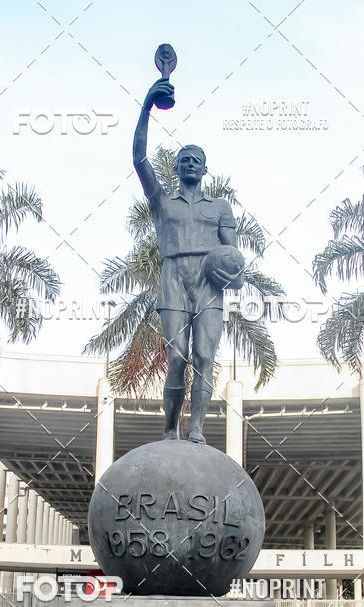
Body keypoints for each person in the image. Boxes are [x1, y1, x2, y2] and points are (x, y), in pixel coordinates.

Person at [133, 78, 244, 443]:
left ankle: (196, 427)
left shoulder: (220, 207)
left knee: (205, 358)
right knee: (178, 357)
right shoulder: (163, 202)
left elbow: (236, 264)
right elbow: (139, 159)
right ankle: (170, 427)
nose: (191, 163)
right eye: (185, 160)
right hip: (173, 277)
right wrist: (148, 106)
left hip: (208, 282)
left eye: (197, 160)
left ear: (205, 169)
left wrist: (233, 274)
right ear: (177, 169)